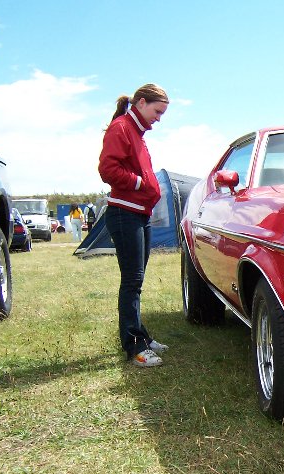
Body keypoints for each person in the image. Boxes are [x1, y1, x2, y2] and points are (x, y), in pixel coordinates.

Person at [98, 84, 169, 367]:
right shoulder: (121, 128)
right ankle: (134, 347)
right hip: (124, 214)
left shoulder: (137, 133)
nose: (159, 118)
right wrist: (140, 183)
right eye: (157, 111)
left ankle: (141, 335)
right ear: (141, 103)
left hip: (140, 214)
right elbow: (108, 169)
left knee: (136, 282)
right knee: (131, 282)